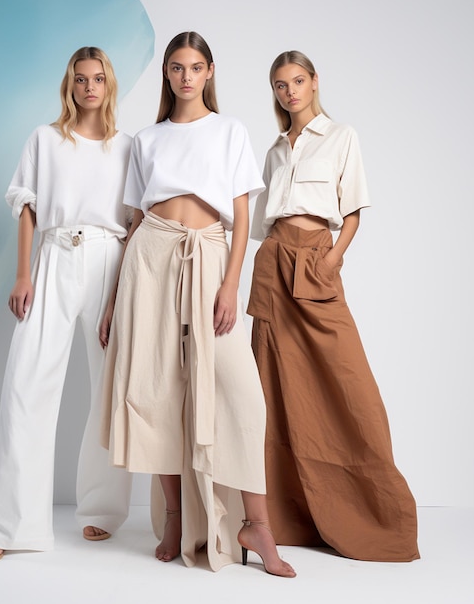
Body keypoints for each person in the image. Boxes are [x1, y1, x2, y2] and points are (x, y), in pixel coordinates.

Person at [99, 31, 296, 577]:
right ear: (167, 74)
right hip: (151, 259)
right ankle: (173, 518)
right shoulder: (146, 138)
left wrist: (231, 285)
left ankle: (256, 524)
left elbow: (240, 217)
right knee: (158, 388)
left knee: (241, 395)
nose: (186, 76)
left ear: (209, 73)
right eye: (177, 67)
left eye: (196, 67)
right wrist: (114, 302)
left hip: (209, 258)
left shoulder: (230, 130)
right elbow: (134, 221)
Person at [248, 50, 420, 562]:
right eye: (280, 85)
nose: (290, 92)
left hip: (316, 260)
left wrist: (331, 262)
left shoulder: (342, 136)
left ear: (314, 81)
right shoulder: (277, 149)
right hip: (273, 261)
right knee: (271, 387)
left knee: (349, 383)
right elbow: (261, 220)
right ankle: (279, 517)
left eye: (297, 81)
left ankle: (374, 512)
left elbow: (353, 214)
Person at [0, 47, 133, 562]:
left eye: (99, 78)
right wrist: (24, 274)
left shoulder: (127, 147)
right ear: (70, 84)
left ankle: (102, 510)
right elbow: (26, 206)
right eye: (81, 79)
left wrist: (117, 298)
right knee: (26, 385)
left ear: (109, 85)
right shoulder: (46, 139)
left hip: (110, 263)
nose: (90, 87)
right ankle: (10, 526)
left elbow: (132, 226)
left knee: (108, 387)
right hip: (55, 256)